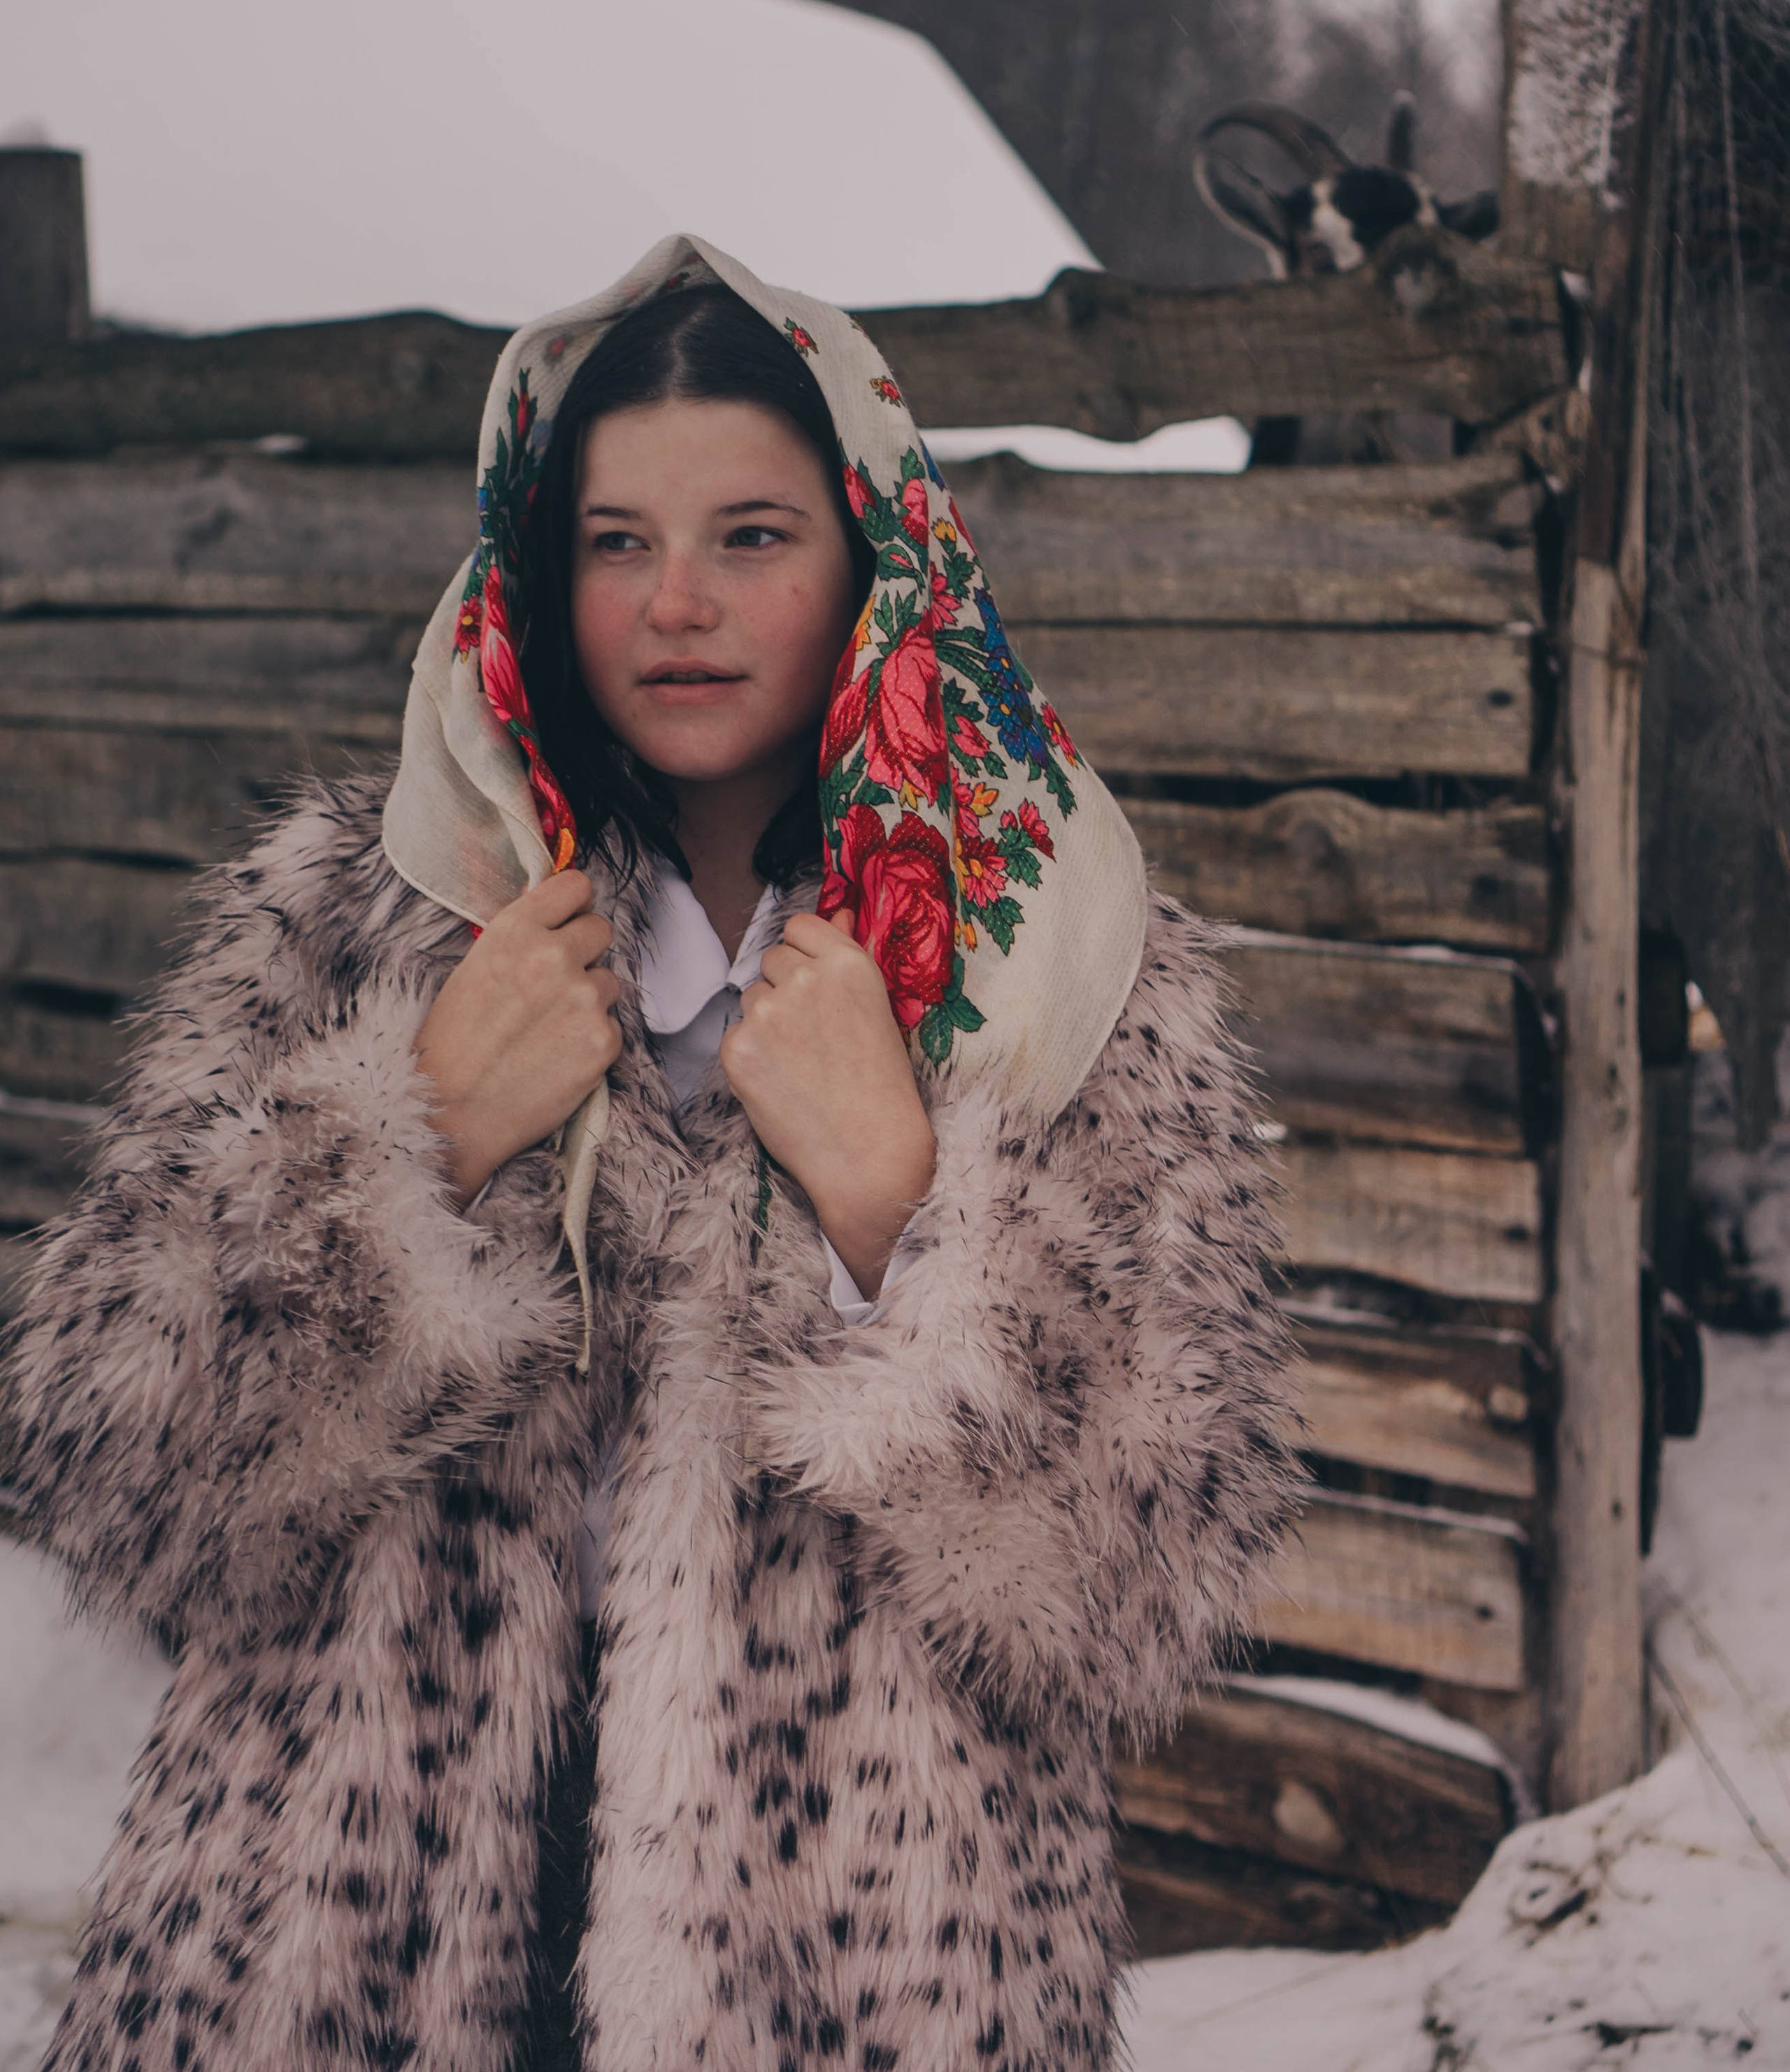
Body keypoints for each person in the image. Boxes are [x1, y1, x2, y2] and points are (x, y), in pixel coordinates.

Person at [9, 237, 1296, 2072]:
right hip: (328, 1953)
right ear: (537, 565)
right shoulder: (368, 915)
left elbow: (1145, 1586)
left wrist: (888, 1210)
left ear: (872, 554)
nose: (677, 601)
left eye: (753, 535)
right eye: (616, 540)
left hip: (863, 1983)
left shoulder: (1063, 961)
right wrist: (418, 1139)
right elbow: (113, 1466)